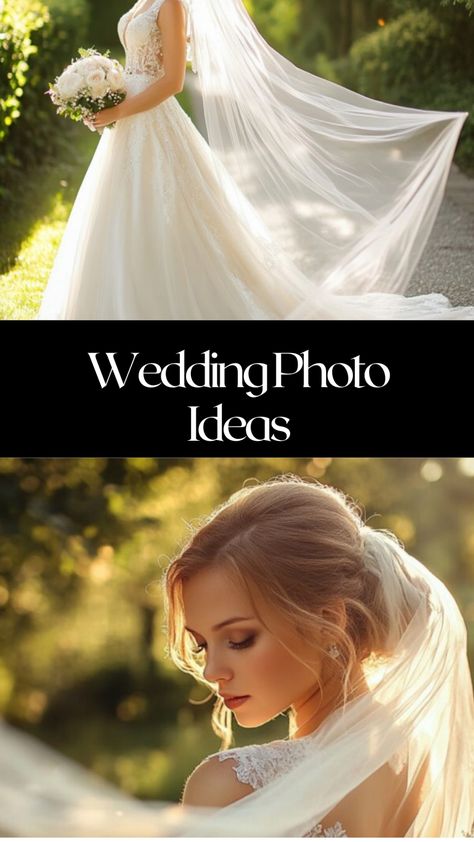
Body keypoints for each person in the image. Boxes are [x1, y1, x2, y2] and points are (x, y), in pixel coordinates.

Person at [0, 476, 473, 836]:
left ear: (329, 620)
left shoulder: (232, 786)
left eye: (240, 639)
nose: (211, 671)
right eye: (204, 643)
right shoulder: (415, 767)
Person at [37, 0, 474, 320]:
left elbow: (170, 80)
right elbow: (138, 63)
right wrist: (105, 82)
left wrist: (118, 108)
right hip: (128, 125)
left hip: (151, 120)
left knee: (169, 210)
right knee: (119, 212)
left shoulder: (171, 4)